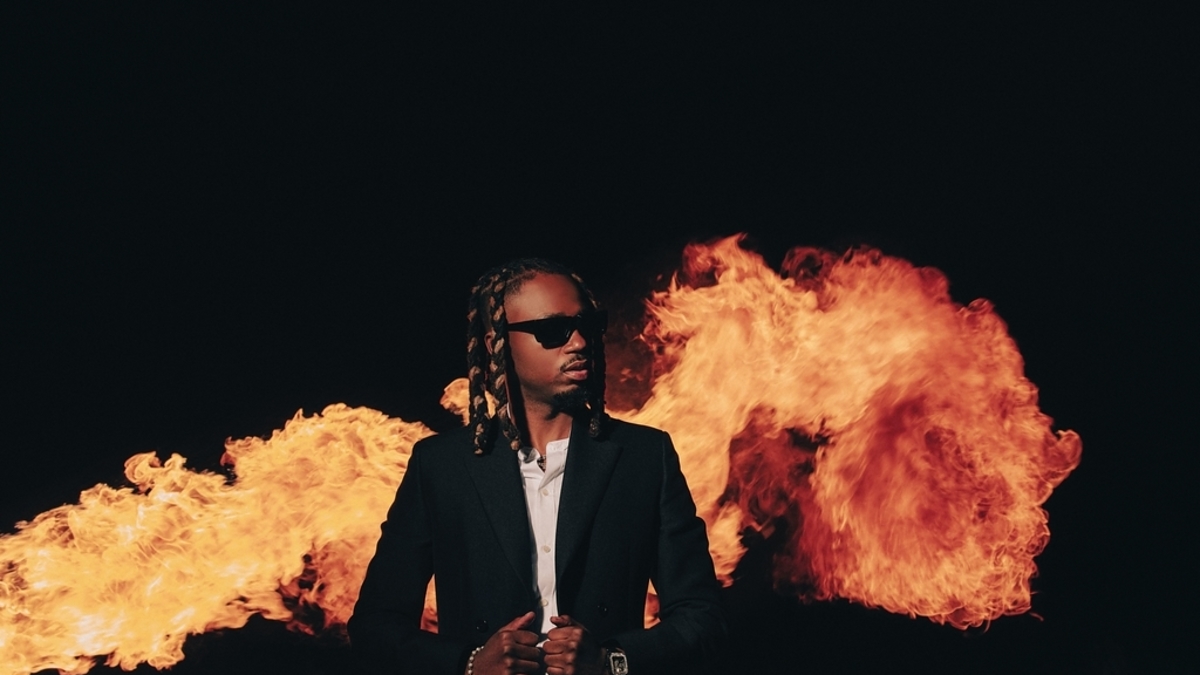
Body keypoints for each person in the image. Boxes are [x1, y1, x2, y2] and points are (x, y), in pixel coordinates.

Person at [348, 258, 725, 675]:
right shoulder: (440, 466)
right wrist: (470, 665)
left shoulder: (644, 457)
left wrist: (610, 662)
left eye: (588, 324)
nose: (580, 341)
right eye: (552, 330)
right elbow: (375, 627)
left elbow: (703, 618)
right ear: (497, 344)